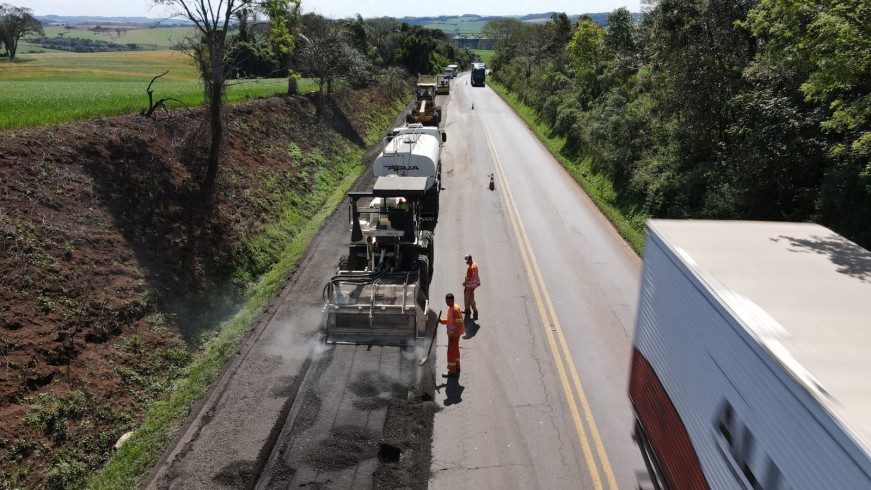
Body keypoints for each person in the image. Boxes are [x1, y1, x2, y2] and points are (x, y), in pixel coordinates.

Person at [439, 293, 465, 378]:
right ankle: (457, 367)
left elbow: (459, 324)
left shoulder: (454, 310)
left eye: (449, 301)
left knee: (451, 353)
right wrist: (441, 321)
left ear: (453, 300)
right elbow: (450, 321)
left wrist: (454, 334)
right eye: (446, 301)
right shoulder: (451, 308)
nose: (447, 302)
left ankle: (452, 371)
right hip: (454, 335)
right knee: (456, 351)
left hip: (453, 336)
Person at [462, 254, 480, 319]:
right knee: (471, 297)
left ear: (470, 260)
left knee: (467, 298)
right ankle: (475, 311)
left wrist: (464, 283)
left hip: (469, 286)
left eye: (467, 261)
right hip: (474, 285)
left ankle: (468, 311)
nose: (466, 262)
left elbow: (468, 278)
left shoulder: (470, 268)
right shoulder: (475, 265)